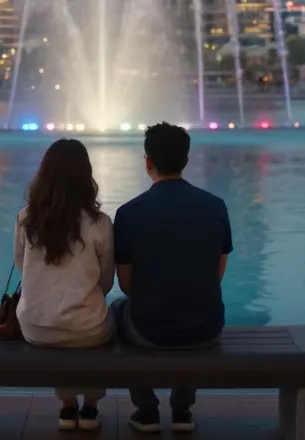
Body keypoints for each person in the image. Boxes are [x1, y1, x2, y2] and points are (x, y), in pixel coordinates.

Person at [112, 122, 232, 434]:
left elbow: (126, 285)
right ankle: (182, 410)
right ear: (186, 161)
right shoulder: (215, 207)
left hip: (148, 330)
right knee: (192, 299)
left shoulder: (128, 213)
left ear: (148, 162)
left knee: (115, 313)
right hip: (207, 328)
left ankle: (147, 410)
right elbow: (216, 274)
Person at [14, 138, 116, 432]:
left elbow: (23, 267)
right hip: (87, 327)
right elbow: (106, 280)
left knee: (60, 326)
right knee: (98, 323)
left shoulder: (26, 218)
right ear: (86, 176)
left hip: (34, 326)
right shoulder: (100, 223)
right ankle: (91, 406)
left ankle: (67, 405)